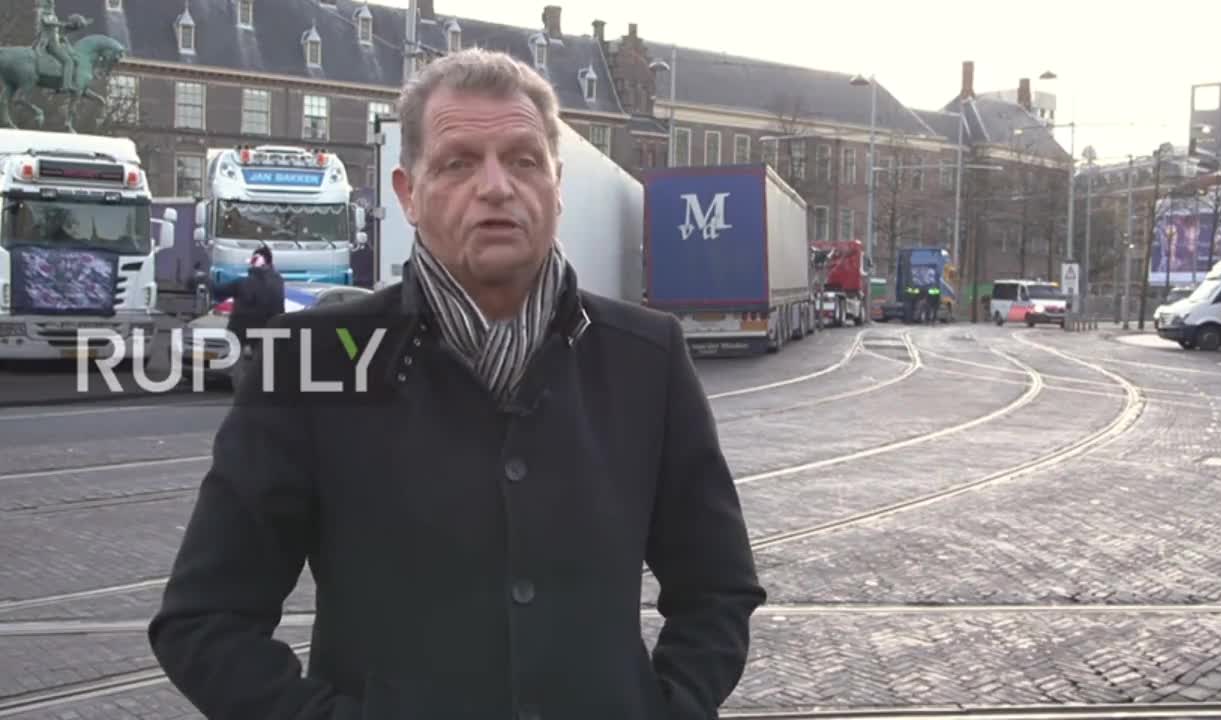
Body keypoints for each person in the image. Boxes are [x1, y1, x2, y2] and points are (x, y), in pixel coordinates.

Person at [148, 48, 766, 719]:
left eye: (524, 159)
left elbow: (717, 588)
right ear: (408, 194)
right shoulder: (314, 363)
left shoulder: (646, 358)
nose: (496, 186)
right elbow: (203, 622)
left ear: (557, 187)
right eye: (459, 162)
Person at [208, 246, 285, 381]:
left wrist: (204, 280)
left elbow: (218, 292)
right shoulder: (278, 282)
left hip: (241, 332)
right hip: (267, 331)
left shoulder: (243, 283)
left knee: (239, 368)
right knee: (261, 368)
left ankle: (242, 395)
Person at [32, 0, 77, 92]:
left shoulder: (49, 13)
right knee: (68, 61)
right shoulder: (44, 13)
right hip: (50, 43)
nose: (53, 4)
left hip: (52, 41)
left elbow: (54, 30)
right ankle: (66, 85)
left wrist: (66, 30)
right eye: (51, 2)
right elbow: (48, 23)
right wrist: (63, 24)